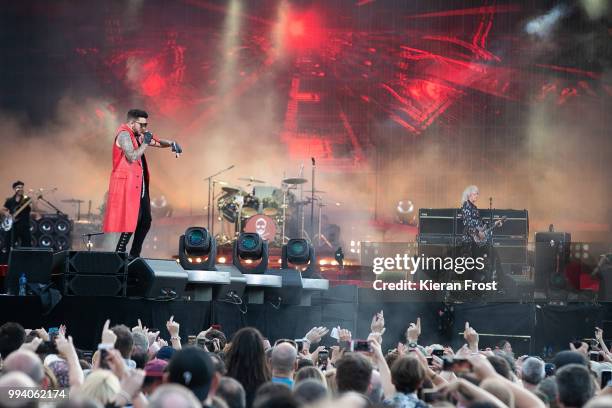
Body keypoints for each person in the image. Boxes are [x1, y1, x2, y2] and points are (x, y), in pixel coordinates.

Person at [102, 109, 182, 258]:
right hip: (128, 185)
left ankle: (134, 254)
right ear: (132, 123)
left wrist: (172, 143)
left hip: (140, 184)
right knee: (132, 219)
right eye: (142, 125)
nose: (145, 128)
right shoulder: (124, 134)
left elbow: (156, 142)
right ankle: (119, 253)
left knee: (146, 220)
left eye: (146, 125)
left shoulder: (137, 134)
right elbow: (132, 156)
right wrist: (145, 142)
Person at [459, 185, 502, 281]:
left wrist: (493, 224)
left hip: (477, 241)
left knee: (481, 260)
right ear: (469, 195)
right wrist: (478, 231)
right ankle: (471, 286)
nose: (477, 196)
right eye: (475, 194)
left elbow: (480, 223)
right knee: (472, 264)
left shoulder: (474, 207)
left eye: (477, 194)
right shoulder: (466, 206)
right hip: (470, 240)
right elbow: (467, 222)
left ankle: (489, 279)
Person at [2, 181, 32, 248]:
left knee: (27, 246)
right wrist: (7, 213)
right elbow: (2, 210)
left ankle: (24, 258)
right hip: (13, 227)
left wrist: (34, 201)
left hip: (25, 226)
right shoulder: (9, 200)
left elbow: (33, 209)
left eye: (22, 187)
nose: (21, 189)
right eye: (18, 187)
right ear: (14, 189)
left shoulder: (27, 199)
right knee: (8, 245)